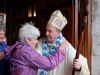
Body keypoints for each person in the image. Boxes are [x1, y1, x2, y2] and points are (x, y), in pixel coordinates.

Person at [36, 10, 90, 75]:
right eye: (46, 30)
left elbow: (85, 71)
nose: (46, 34)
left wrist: (79, 68)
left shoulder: (65, 45)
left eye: (50, 31)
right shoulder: (40, 42)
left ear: (58, 33)